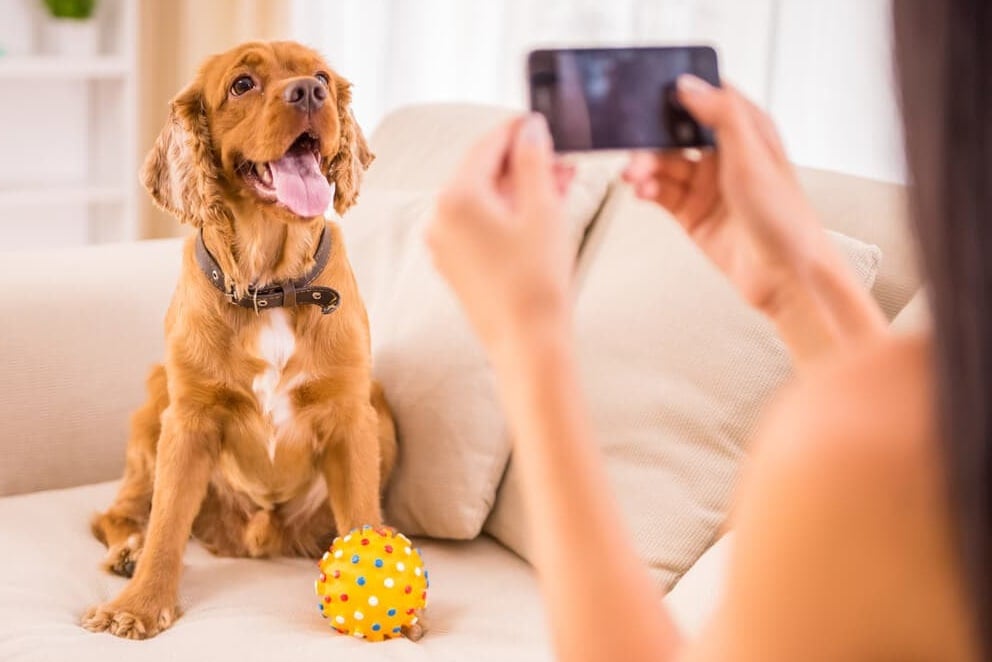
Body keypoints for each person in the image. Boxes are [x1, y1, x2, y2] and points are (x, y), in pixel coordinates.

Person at [424, 1, 986, 660]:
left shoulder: (852, 453)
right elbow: (926, 491)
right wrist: (798, 282)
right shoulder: (921, 435)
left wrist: (526, 343)